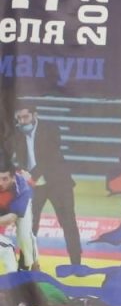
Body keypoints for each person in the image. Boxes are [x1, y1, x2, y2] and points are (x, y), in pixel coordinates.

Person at [10, 104, 82, 268]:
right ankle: (25, 263)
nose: (22, 121)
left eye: (25, 117)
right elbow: (16, 159)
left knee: (68, 222)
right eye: (19, 118)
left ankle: (76, 264)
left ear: (35, 115)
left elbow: (50, 156)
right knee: (28, 225)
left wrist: (32, 175)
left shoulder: (51, 129)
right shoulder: (16, 134)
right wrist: (20, 173)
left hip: (58, 183)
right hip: (33, 187)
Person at [0, 165, 37, 273]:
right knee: (6, 247)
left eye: (5, 179)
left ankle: (32, 265)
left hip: (17, 203)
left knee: (24, 235)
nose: (0, 183)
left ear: (13, 178)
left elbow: (11, 218)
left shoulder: (23, 187)